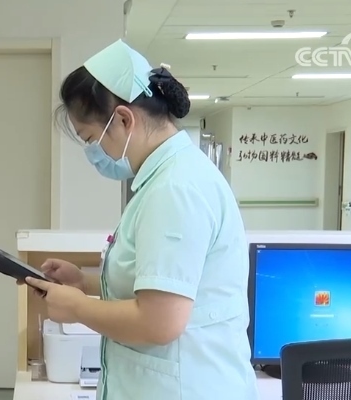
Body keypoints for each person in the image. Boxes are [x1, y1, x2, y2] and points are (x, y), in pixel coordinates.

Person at [21, 39, 258, 399]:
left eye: (91, 138)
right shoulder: (170, 178)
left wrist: (77, 308)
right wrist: (84, 283)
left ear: (123, 119)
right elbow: (162, 285)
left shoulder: (175, 189)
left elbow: (160, 322)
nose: (95, 153)